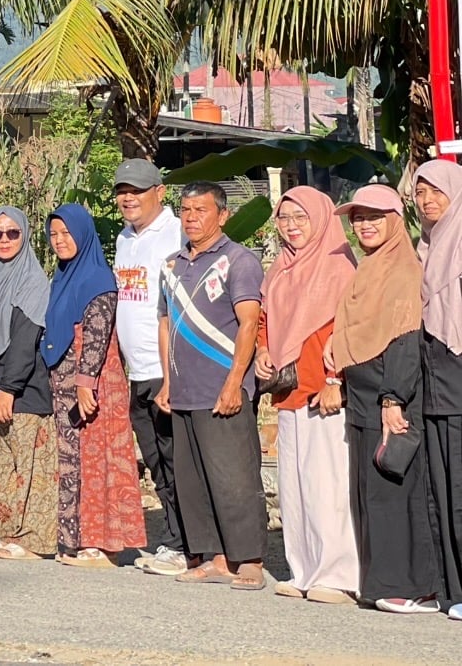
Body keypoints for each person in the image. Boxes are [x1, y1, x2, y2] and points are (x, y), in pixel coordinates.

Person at [329, 184, 441, 614]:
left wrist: (395, 398)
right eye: (358, 217)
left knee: (398, 488)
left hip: (390, 393)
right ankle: (381, 581)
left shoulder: (402, 270)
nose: (364, 225)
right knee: (371, 490)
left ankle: (414, 585)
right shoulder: (368, 268)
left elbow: (405, 338)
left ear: (395, 221)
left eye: (375, 217)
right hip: (364, 392)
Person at [157, 181, 269, 591]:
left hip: (223, 387)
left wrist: (235, 381)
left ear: (221, 215)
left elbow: (249, 323)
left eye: (200, 210)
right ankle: (214, 557)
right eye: (185, 210)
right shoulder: (171, 265)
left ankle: (250, 559)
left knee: (234, 477)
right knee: (194, 480)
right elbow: (165, 324)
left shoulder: (238, 260)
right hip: (184, 390)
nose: (191, 218)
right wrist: (168, 381)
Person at [255, 186, 359, 604]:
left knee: (327, 482)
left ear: (321, 219)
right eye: (284, 218)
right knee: (294, 484)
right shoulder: (281, 267)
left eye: (301, 218)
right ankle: (304, 569)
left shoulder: (339, 265)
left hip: (324, 387)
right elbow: (264, 317)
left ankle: (338, 575)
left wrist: (337, 379)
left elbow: (350, 328)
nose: (292, 226)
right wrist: (264, 350)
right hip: (289, 388)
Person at [43, 203, 146, 569]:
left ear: (83, 234)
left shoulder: (97, 280)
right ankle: (75, 539)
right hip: (65, 385)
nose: (59, 241)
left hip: (95, 384)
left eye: (66, 233)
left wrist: (86, 384)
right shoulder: (62, 276)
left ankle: (106, 544)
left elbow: (98, 334)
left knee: (100, 460)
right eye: (53, 234)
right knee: (74, 462)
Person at [111, 158, 186, 574]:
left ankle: (185, 542)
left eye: (137, 190)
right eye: (123, 191)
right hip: (135, 369)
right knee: (156, 461)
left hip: (166, 368)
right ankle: (174, 538)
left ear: (160, 192)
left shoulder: (175, 233)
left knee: (176, 459)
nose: (128, 198)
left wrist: (172, 374)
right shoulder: (125, 238)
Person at [0, 205, 55, 562]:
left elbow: (25, 338)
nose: (4, 240)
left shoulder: (32, 280)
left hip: (20, 391)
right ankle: (4, 533)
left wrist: (9, 387)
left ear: (25, 235)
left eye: (12, 233)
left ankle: (33, 539)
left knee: (30, 470)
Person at [413, 159, 462, 622]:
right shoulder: (427, 246)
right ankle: (452, 589)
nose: (427, 202)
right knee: (443, 490)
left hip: (458, 375)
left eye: (435, 192)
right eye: (420, 193)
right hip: (435, 380)